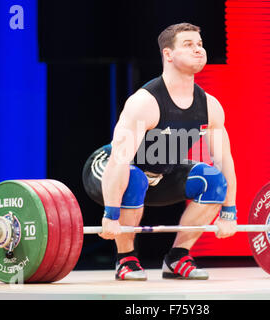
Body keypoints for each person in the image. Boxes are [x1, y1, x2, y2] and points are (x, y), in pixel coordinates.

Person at [82, 22, 237, 281]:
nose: (198, 50)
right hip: (108, 169)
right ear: (168, 54)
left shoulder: (210, 106)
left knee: (212, 180)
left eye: (199, 44)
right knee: (135, 177)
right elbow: (119, 161)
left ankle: (177, 258)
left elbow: (224, 160)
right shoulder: (145, 103)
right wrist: (110, 215)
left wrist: (229, 211)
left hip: (160, 174)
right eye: (188, 45)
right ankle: (125, 259)